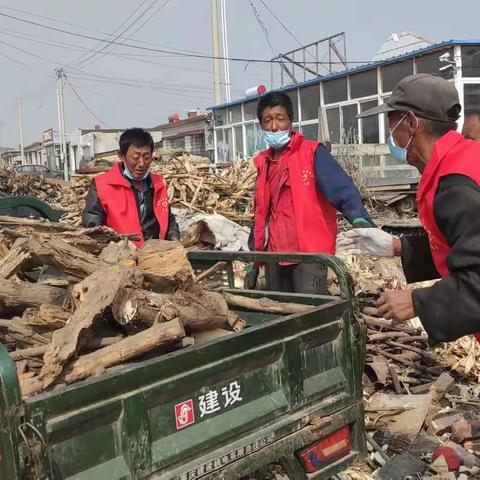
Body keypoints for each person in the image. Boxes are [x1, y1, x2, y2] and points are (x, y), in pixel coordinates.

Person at [338, 73, 480, 345]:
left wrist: (418, 302)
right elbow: (465, 247)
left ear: (412, 123)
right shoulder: (463, 160)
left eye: (393, 126)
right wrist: (398, 246)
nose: (391, 136)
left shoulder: (455, 186)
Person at [248, 91, 374, 294]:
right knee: (278, 312)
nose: (274, 126)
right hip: (274, 253)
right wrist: (253, 259)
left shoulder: (312, 153)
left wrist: (360, 220)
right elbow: (261, 213)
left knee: (311, 311)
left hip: (309, 253)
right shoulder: (264, 163)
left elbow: (340, 188)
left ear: (291, 120)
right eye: (267, 120)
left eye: (280, 119)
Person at [82, 128, 179, 246]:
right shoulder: (102, 185)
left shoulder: (158, 184)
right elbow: (93, 228)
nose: (142, 163)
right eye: (135, 157)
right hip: (119, 258)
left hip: (155, 256)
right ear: (121, 156)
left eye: (146, 157)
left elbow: (168, 219)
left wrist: (173, 240)